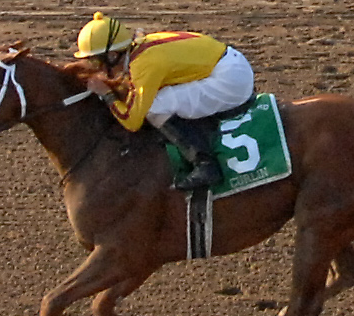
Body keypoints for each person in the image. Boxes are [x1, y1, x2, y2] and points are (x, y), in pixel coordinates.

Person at [74, 12, 255, 192]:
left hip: (231, 81)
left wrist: (107, 94)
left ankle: (205, 164)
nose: (95, 67)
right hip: (226, 62)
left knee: (154, 106)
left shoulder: (144, 65)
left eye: (96, 62)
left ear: (113, 55)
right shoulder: (138, 47)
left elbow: (132, 121)